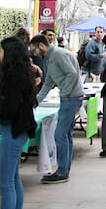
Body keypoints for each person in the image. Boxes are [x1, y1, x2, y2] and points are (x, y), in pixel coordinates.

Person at [0, 36, 37, 209]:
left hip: (13, 128)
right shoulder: (22, 72)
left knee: (6, 182)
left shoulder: (13, 75)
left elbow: (9, 108)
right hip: (20, 127)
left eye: (0, 51)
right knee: (13, 179)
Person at [32, 33, 83, 184]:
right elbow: (49, 82)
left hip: (71, 98)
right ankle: (64, 169)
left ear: (41, 46)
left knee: (60, 134)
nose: (34, 54)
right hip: (71, 97)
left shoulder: (58, 55)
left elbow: (71, 74)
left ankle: (62, 171)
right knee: (65, 134)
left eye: (34, 50)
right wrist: (36, 101)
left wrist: (65, 94)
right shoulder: (52, 57)